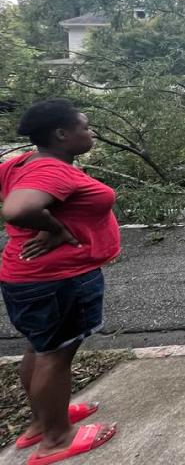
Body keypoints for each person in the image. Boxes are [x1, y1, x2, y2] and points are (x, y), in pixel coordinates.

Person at [1, 99, 118, 464]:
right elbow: (18, 208)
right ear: (62, 134)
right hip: (58, 278)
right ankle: (56, 440)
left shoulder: (20, 163)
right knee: (55, 355)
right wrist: (55, 228)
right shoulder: (53, 170)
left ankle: (42, 422)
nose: (91, 132)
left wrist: (48, 221)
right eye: (85, 126)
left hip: (27, 276)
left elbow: (15, 199)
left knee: (40, 348)